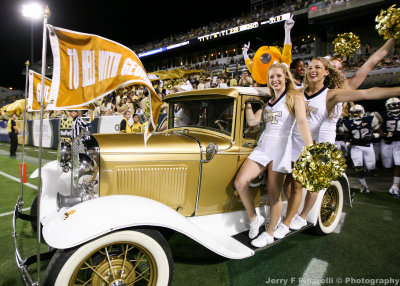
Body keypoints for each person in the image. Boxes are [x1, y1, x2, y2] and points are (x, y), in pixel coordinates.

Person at [281, 57, 400, 235]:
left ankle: (302, 216)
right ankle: (293, 210)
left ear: (327, 72)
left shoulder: (334, 94)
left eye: (318, 67)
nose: (312, 70)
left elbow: (368, 93)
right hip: (297, 141)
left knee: (312, 184)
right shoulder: (300, 91)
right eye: (309, 67)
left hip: (320, 143)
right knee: (289, 182)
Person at [234, 63, 312, 248]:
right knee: (240, 182)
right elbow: (253, 122)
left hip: (282, 147)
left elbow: (302, 122)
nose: (275, 80)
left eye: (278, 76)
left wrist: (311, 148)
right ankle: (254, 219)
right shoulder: (268, 103)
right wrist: (247, 105)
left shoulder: (295, 97)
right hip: (263, 147)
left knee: (273, 193)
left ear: (285, 77)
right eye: (271, 77)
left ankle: (269, 233)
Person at [343, 104, 379, 193]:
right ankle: (364, 185)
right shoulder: (348, 123)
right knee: (358, 166)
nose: (355, 115)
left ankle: (372, 170)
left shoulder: (370, 120)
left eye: (357, 113)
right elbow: (346, 136)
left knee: (371, 167)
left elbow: (380, 132)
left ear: (362, 112)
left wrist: (373, 135)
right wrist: (347, 142)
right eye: (353, 113)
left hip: (368, 146)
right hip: (356, 147)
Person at [375, 97, 400, 197]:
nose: (395, 106)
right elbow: (376, 127)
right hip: (387, 142)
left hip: (398, 142)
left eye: (397, 104)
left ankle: (395, 186)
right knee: (387, 164)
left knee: (398, 164)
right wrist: (384, 133)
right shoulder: (381, 115)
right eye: (392, 105)